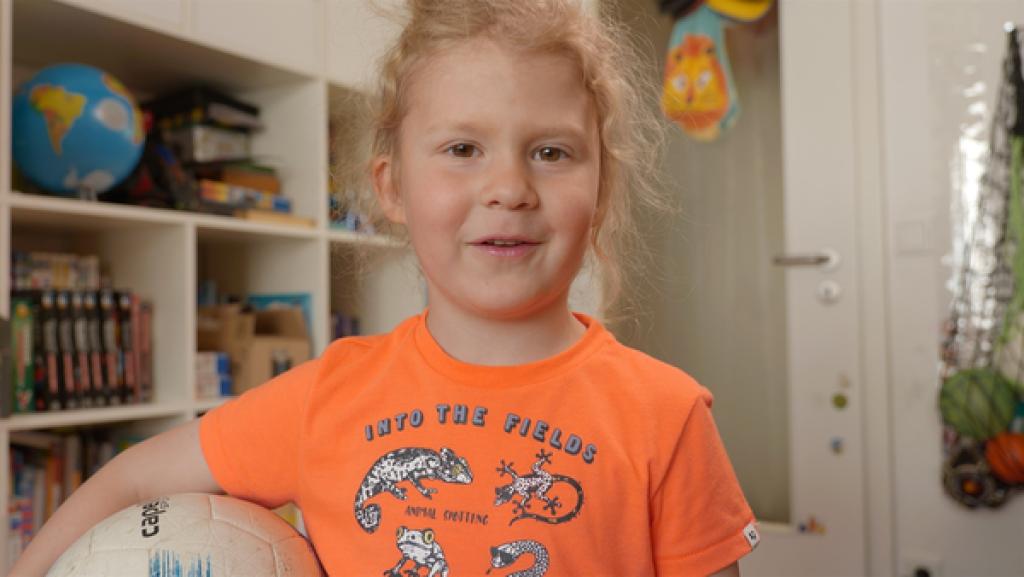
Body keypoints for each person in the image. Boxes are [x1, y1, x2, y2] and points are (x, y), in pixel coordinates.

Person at [9, 1, 759, 575]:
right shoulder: (327, 397)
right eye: (463, 148)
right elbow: (131, 478)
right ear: (392, 186)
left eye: (552, 151)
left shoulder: (668, 416)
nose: (508, 187)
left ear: (602, 184)